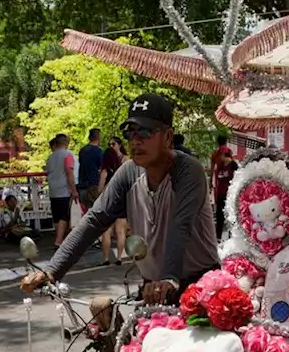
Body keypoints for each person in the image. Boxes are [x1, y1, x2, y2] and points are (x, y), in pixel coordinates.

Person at [21, 93, 220, 306]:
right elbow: (95, 220)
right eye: (130, 133)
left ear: (168, 137)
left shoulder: (188, 170)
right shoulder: (129, 172)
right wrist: (52, 270)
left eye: (145, 132)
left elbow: (181, 226)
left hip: (200, 285)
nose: (135, 141)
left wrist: (169, 278)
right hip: (154, 288)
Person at [78, 128, 114, 263]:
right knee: (98, 214)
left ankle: (86, 238)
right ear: (98, 138)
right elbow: (102, 168)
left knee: (87, 214)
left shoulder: (82, 151)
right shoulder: (99, 152)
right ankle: (96, 239)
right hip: (94, 185)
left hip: (82, 185)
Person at [45, 133, 79, 247]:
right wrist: (74, 190)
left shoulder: (50, 157)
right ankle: (59, 240)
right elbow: (70, 173)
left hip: (53, 190)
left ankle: (60, 238)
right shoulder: (68, 155)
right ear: (66, 143)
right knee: (64, 216)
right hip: (64, 190)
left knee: (57, 216)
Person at [102, 136, 129, 263]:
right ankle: (114, 258)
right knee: (118, 230)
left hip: (110, 197)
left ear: (119, 144)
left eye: (113, 144)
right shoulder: (125, 161)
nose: (111, 146)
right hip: (121, 196)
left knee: (111, 230)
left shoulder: (110, 164)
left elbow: (101, 184)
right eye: (109, 144)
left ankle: (115, 257)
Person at [213, 147, 238, 240]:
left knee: (230, 216)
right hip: (221, 194)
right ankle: (218, 237)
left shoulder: (234, 165)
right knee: (220, 216)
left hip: (230, 195)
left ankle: (232, 237)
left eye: (220, 155)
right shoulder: (221, 166)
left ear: (223, 155)